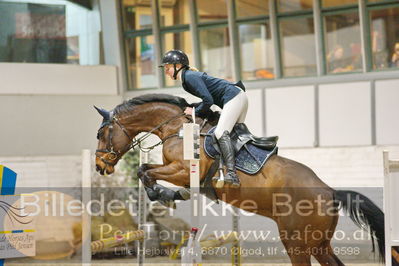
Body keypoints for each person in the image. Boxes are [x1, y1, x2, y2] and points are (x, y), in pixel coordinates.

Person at [159, 50, 248, 188]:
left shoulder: (189, 77)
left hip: (233, 96)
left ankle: (232, 174)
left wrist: (195, 110)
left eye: (168, 68)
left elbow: (208, 100)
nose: (166, 72)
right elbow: (207, 99)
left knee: (220, 133)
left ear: (178, 66)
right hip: (238, 96)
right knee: (234, 134)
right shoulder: (187, 79)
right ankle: (246, 165)